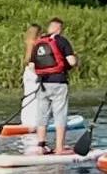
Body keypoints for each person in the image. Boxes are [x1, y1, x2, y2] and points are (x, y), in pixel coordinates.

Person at [30, 17, 79, 153]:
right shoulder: (61, 40)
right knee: (60, 114)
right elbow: (72, 61)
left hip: (42, 83)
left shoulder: (39, 42)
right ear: (59, 29)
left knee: (42, 114)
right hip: (59, 82)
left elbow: (32, 65)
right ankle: (59, 148)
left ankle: (41, 146)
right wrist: (76, 61)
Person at [19, 23, 47, 134]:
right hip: (33, 72)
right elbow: (33, 64)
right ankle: (35, 123)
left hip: (28, 73)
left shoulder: (29, 44)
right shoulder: (37, 45)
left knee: (28, 97)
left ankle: (26, 121)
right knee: (36, 99)